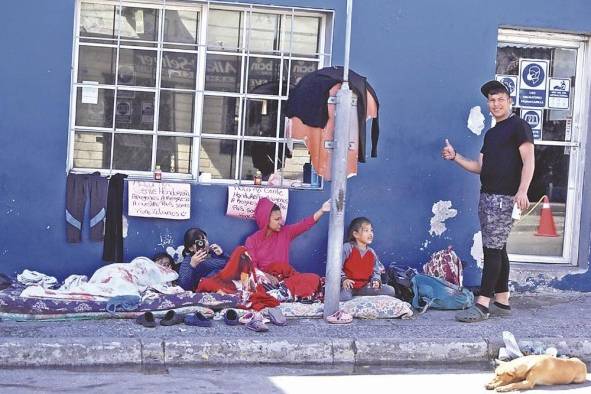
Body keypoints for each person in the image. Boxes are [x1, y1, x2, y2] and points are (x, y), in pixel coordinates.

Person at [441, 80, 534, 323]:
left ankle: (482, 304)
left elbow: (529, 160)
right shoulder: (492, 133)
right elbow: (479, 167)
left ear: (510, 101)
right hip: (487, 196)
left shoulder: (519, 126)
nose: (496, 104)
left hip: (505, 198)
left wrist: (522, 191)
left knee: (491, 250)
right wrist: (456, 157)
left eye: (500, 99)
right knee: (498, 247)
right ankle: (502, 300)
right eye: (492, 100)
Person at [244, 198, 330, 298]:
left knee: (314, 279)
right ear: (266, 220)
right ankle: (282, 293)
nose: (281, 222)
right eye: (277, 219)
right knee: (256, 283)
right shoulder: (252, 240)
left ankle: (282, 292)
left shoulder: (286, 233)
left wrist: (322, 211)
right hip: (265, 280)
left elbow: (304, 224)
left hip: (285, 280)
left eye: (281, 218)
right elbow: (251, 267)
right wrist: (266, 276)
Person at [340, 217, 397, 301]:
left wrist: (376, 280)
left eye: (371, 230)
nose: (370, 234)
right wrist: (344, 279)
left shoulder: (371, 252)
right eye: (366, 231)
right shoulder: (347, 248)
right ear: (355, 234)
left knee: (390, 290)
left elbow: (376, 271)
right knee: (345, 297)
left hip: (364, 286)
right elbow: (336, 268)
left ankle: (360, 295)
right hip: (348, 286)